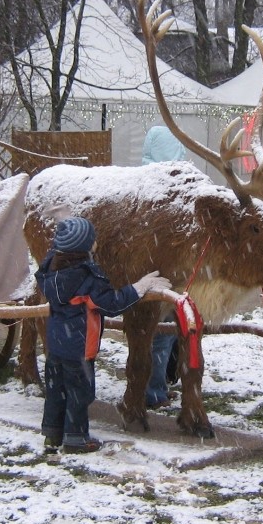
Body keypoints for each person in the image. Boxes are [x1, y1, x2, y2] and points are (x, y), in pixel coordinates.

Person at [37, 216, 172, 453]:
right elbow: (111, 304)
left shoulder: (51, 270)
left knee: (56, 392)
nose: (96, 243)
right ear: (85, 247)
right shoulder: (85, 278)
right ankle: (76, 439)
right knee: (80, 394)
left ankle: (52, 434)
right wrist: (139, 287)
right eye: (93, 240)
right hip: (80, 347)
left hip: (56, 345)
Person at [141, 125, 186, 408]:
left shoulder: (144, 180)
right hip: (158, 273)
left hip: (152, 271)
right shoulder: (162, 186)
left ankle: (157, 385)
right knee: (161, 332)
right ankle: (152, 391)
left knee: (159, 333)